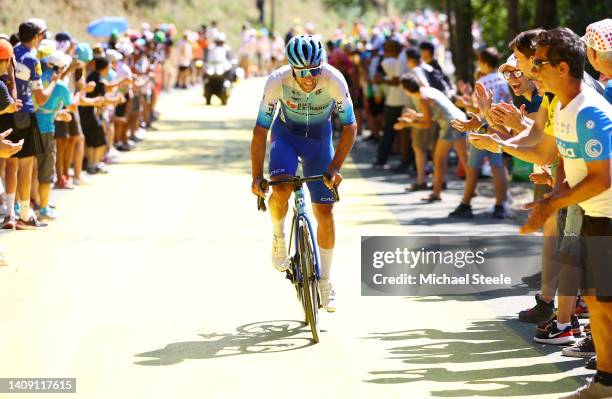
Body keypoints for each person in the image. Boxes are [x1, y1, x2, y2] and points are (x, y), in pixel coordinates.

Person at [250, 34, 358, 312]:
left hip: (319, 142)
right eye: (302, 72)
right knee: (282, 188)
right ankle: (278, 233)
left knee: (325, 212)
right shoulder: (277, 81)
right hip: (286, 137)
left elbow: (350, 127)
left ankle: (325, 280)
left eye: (314, 70)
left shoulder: (334, 80)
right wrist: (255, 176)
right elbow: (261, 130)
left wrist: (335, 168)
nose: (309, 77)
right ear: (291, 69)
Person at [4, 19, 57, 230]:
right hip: (25, 113)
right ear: (36, 37)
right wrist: (54, 79)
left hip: (5, 112)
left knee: (10, 164)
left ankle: (9, 214)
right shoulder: (32, 59)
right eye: (41, 35)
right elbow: (41, 97)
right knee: (26, 167)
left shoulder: (9, 52)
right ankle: (25, 214)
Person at [449, 47, 511, 219]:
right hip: (500, 128)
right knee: (498, 166)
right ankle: (501, 204)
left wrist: (464, 103)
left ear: (483, 62)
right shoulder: (502, 80)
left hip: (482, 127)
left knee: (473, 166)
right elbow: (508, 103)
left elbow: (478, 109)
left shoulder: (482, 82)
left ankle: (465, 203)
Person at [395, 75, 468, 202]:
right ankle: (473, 190)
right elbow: (431, 115)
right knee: (465, 160)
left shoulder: (422, 98)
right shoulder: (427, 91)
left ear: (406, 89)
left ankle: (436, 193)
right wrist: (414, 117)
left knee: (439, 159)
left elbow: (427, 124)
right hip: (461, 119)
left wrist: (409, 123)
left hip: (450, 124)